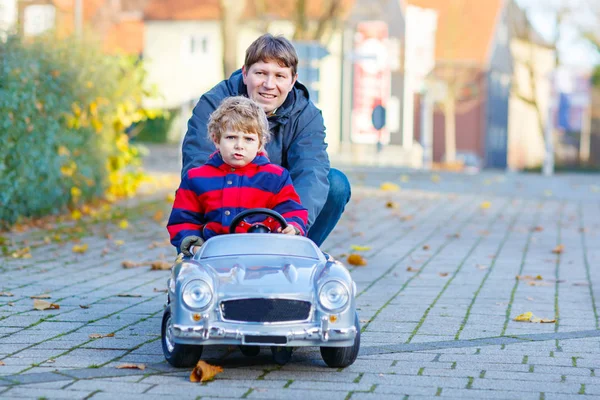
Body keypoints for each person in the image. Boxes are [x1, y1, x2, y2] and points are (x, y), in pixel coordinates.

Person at [181, 33, 351, 247]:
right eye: (261, 73)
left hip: (279, 204)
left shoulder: (306, 116)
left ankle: (295, 251)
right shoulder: (213, 105)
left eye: (280, 76)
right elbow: (197, 170)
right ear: (245, 73)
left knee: (335, 184)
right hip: (226, 203)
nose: (269, 85)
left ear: (292, 81)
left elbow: (311, 172)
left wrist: (293, 223)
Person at [167, 96, 308, 256]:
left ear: (260, 144)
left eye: (248, 139)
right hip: (213, 256)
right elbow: (184, 220)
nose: (239, 145)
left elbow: (292, 210)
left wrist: (291, 226)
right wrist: (194, 246)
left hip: (264, 255)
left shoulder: (276, 177)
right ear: (216, 139)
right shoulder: (196, 178)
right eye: (231, 137)